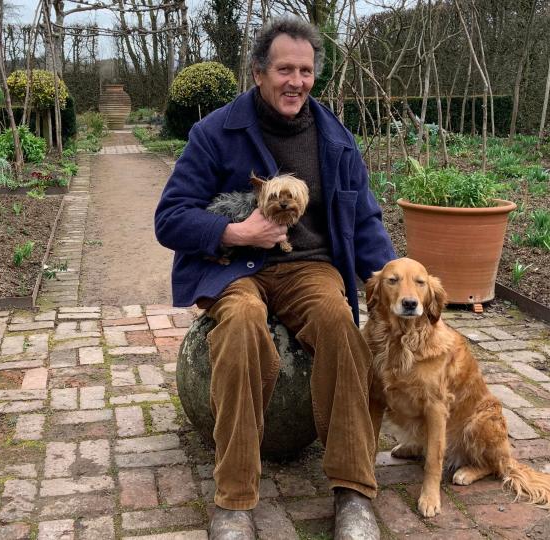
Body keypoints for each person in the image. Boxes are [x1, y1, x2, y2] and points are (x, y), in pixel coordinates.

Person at [154, 16, 395, 540]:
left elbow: (364, 221)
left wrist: (392, 279)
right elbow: (169, 218)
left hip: (310, 266)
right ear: (259, 72)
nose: (296, 81)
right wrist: (238, 232)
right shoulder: (215, 131)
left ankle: (353, 492)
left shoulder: (335, 138)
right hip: (237, 267)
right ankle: (235, 500)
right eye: (285, 69)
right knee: (240, 324)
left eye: (305, 71)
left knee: (338, 323)